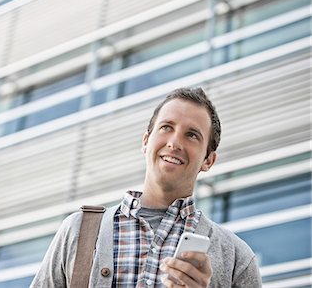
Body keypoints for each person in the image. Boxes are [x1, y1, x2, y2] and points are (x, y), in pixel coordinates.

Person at [31, 88, 262, 287]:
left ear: (208, 161)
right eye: (166, 127)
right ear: (145, 141)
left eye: (191, 135)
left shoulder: (236, 257)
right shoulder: (78, 229)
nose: (174, 142)